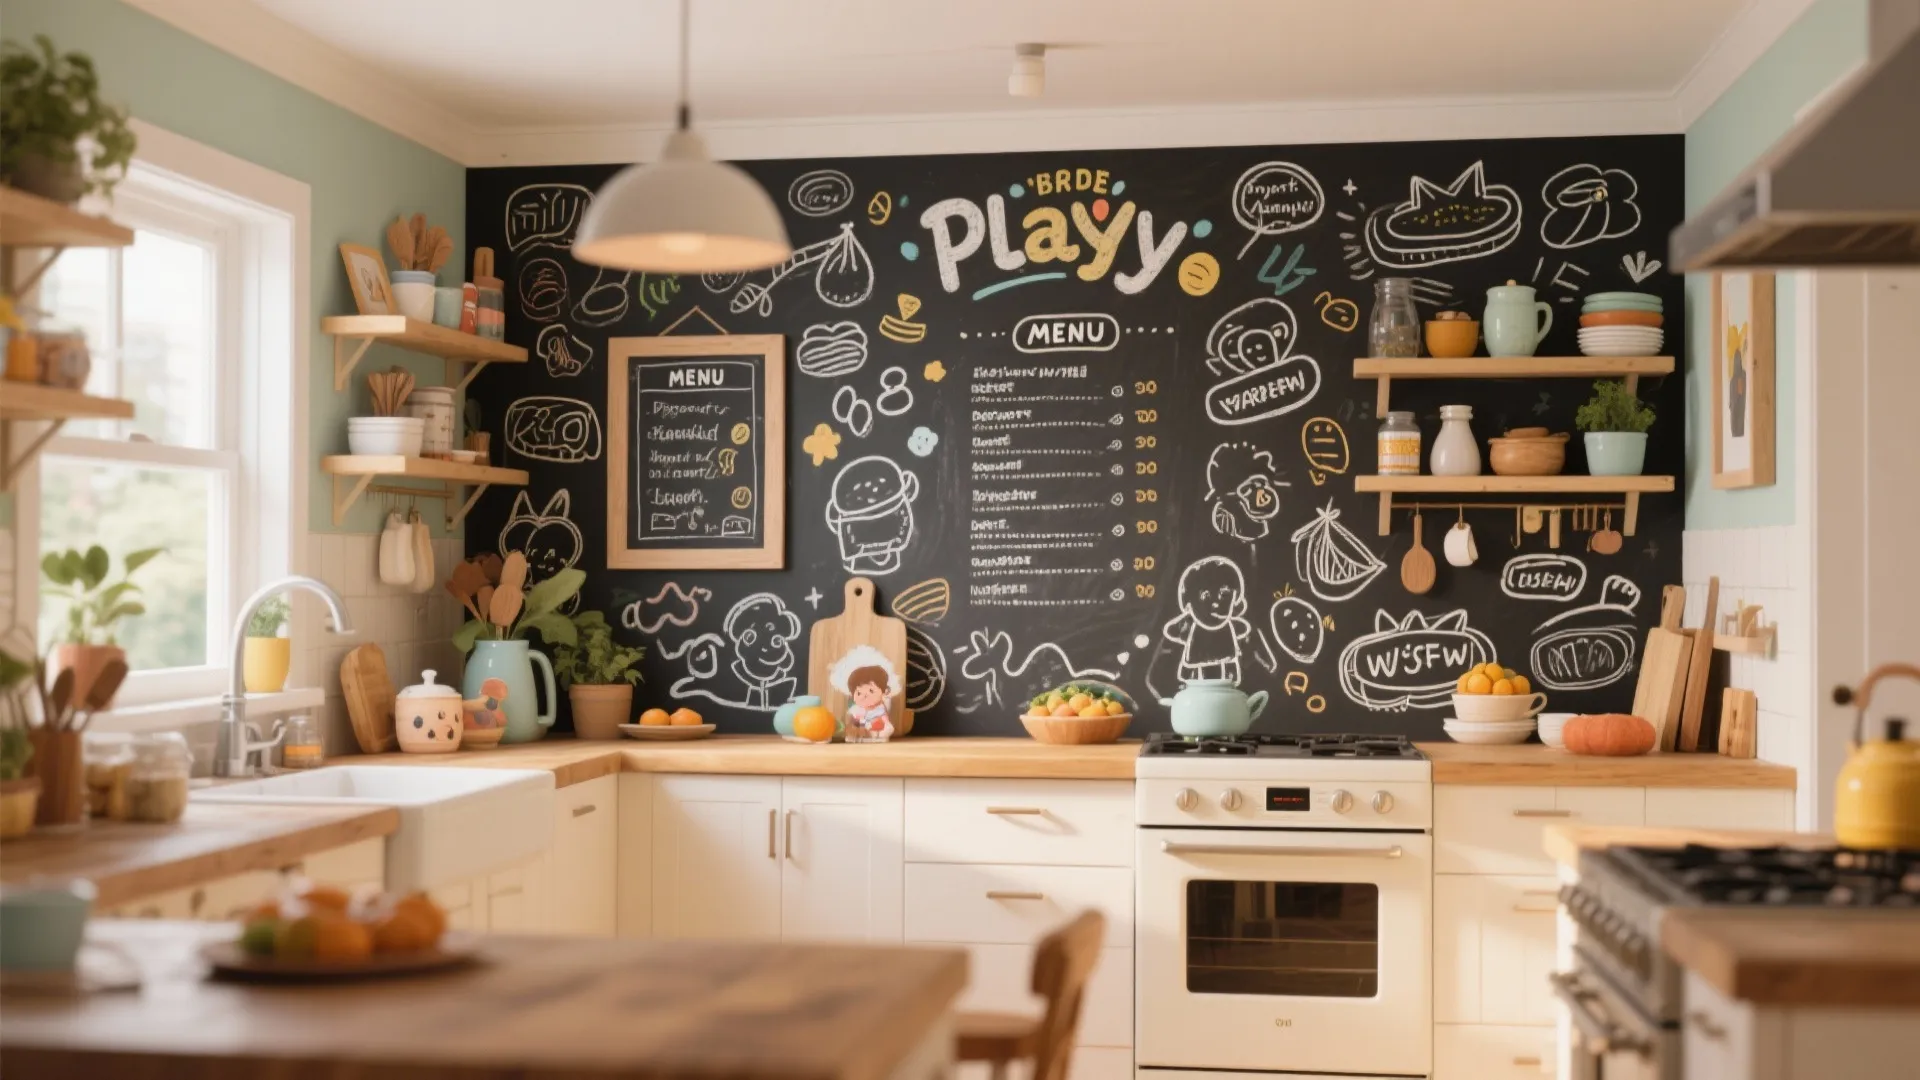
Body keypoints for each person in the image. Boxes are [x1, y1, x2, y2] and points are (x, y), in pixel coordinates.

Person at [844, 663, 894, 740]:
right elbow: (855, 721)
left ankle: (876, 734)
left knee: (888, 727)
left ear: (884, 691)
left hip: (877, 727)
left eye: (871, 691)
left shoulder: (881, 708)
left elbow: (884, 719)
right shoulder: (857, 710)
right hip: (862, 728)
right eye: (859, 693)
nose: (864, 696)